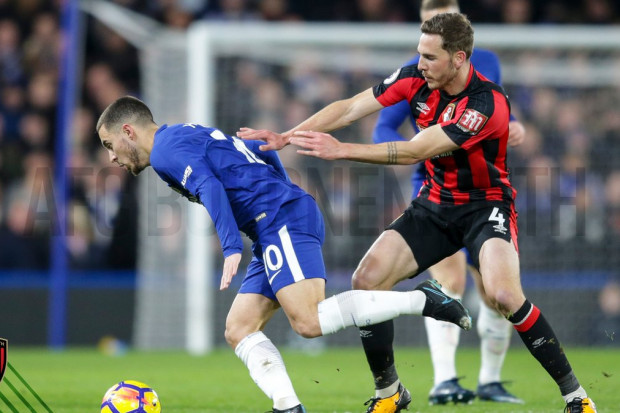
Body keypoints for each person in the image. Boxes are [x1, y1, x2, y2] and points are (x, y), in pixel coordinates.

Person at [237, 12, 597, 413]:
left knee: (504, 295)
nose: (420, 63)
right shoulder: (415, 77)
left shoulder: (486, 103)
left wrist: (342, 150)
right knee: (366, 281)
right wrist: (288, 136)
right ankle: (389, 392)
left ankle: (577, 397)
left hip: (486, 207)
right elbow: (351, 107)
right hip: (435, 203)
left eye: (430, 57)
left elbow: (414, 151)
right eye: (419, 53)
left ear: (458, 58)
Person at [96, 96, 472, 413]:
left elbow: (209, 186)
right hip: (273, 223)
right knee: (239, 327)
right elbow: (256, 148)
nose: (111, 157)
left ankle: (422, 299)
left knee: (308, 322)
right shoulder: (182, 134)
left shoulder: (164, 152)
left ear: (128, 131)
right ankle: (288, 406)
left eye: (110, 144)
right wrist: (281, 191)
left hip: (279, 219)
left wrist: (231, 246)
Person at [370, 0, 525, 405]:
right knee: (450, 281)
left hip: (483, 188)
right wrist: (414, 150)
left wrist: (514, 126)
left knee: (494, 292)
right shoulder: (416, 72)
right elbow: (383, 126)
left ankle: (490, 380)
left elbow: (494, 106)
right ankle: (444, 380)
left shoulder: (485, 62)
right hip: (436, 186)